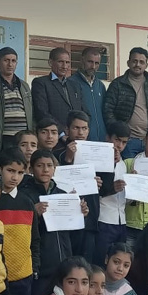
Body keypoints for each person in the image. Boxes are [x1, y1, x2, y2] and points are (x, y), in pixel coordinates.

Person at [19, 150, 88, 295]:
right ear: (31, 169)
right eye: (40, 165)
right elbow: (21, 233)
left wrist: (80, 215)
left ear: (55, 169)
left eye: (49, 165)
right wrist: (33, 214)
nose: (45, 170)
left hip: (64, 260)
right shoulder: (24, 196)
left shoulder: (64, 195)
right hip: (41, 264)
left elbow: (74, 233)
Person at [0, 148, 41, 295]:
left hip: (23, 278)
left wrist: (34, 268)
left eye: (20, 172)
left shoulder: (27, 202)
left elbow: (34, 240)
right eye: (10, 171)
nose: (15, 177)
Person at [104, 47, 148, 158]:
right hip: (127, 142)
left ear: (146, 65)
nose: (137, 64)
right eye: (134, 61)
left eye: (141, 62)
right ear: (128, 63)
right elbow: (108, 110)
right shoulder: (118, 84)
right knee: (128, 171)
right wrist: (119, 134)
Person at [55, 110, 101, 262]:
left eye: (84, 128)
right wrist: (68, 158)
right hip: (67, 217)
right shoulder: (57, 153)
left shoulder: (98, 153)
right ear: (67, 130)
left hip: (90, 217)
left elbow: (107, 188)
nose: (80, 132)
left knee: (87, 264)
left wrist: (100, 183)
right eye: (76, 128)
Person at [94, 122, 132, 265]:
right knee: (100, 262)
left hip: (121, 220)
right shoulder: (96, 161)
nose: (120, 145)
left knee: (117, 263)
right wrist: (111, 188)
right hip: (103, 219)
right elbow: (94, 191)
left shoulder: (123, 164)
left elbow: (123, 198)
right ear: (107, 137)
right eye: (117, 140)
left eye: (124, 142)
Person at [31, 47, 85, 130]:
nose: (64, 66)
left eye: (67, 62)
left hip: (75, 135)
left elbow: (83, 111)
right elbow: (42, 112)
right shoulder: (41, 83)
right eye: (60, 62)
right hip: (53, 136)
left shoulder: (75, 85)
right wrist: (61, 132)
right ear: (50, 62)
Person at [68, 47, 107, 141]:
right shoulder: (70, 83)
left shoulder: (100, 85)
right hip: (82, 139)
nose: (93, 66)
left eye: (96, 63)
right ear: (82, 60)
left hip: (102, 139)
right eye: (90, 62)